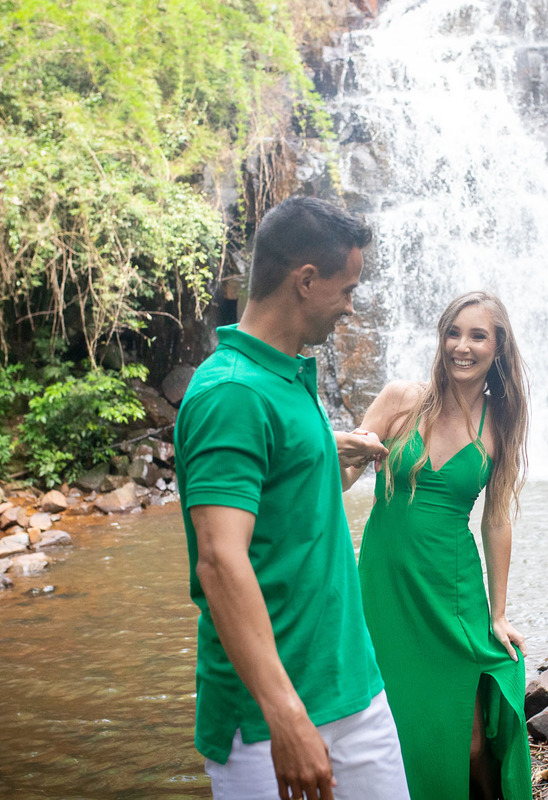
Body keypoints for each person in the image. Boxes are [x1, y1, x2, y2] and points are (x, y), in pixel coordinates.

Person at [174, 196, 410, 800]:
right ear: (306, 281)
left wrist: (319, 452)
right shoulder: (230, 394)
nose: (352, 307)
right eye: (347, 288)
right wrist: (285, 715)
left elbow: (281, 500)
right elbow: (221, 562)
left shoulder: (283, 376)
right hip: (267, 717)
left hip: (350, 684)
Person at [341, 291, 532, 800]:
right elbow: (339, 481)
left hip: (452, 586)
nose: (461, 347)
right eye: (453, 333)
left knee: (470, 740)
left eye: (476, 335)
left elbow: (495, 520)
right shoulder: (402, 399)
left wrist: (499, 612)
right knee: (396, 720)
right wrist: (343, 450)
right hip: (386, 582)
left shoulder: (502, 420)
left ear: (498, 347)